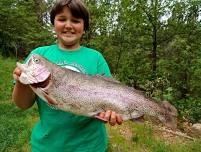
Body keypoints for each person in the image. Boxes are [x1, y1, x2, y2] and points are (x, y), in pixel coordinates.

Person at [12, 0, 123, 151]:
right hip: (47, 145)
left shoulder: (96, 57)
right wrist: (21, 81)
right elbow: (22, 104)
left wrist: (111, 113)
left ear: (84, 27)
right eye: (62, 19)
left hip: (90, 146)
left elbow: (111, 96)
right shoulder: (39, 54)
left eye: (76, 21)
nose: (68, 25)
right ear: (53, 23)